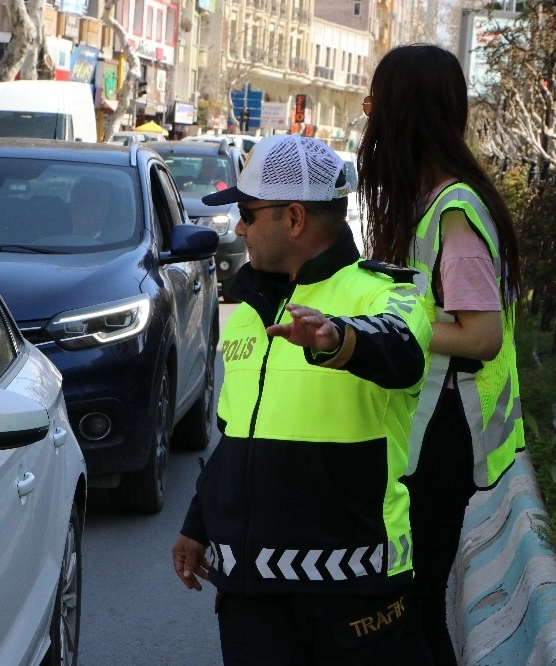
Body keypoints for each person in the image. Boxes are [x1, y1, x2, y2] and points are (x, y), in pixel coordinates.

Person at [171, 134, 433, 665]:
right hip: (251, 589)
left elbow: (401, 349)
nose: (239, 228)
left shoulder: (386, 293)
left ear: (293, 218)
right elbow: (236, 434)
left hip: (354, 587)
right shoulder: (249, 310)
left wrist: (338, 338)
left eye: (247, 213)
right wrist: (198, 524)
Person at [357, 44, 525, 666]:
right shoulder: (430, 204)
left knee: (412, 609)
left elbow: (481, 337)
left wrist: (389, 333)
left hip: (447, 439)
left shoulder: (455, 213)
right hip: (428, 436)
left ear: (404, 115)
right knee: (413, 607)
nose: (368, 120)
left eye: (376, 104)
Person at [69, 176, 110, 240]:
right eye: (83, 200)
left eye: (95, 202)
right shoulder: (53, 236)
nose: (88, 207)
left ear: (105, 209)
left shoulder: (119, 240)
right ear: (72, 206)